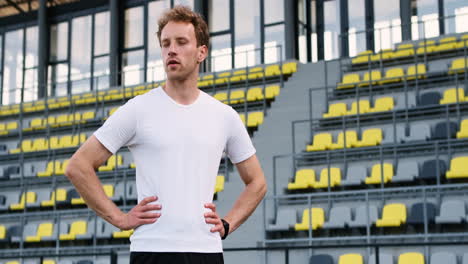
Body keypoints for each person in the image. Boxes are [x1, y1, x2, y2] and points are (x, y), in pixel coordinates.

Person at [65, 5, 267, 264]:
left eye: (182, 42)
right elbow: (78, 166)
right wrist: (119, 218)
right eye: (165, 43)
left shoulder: (224, 115)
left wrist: (228, 224)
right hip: (152, 249)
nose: (171, 50)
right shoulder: (138, 109)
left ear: (201, 52)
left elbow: (257, 182)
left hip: (205, 250)